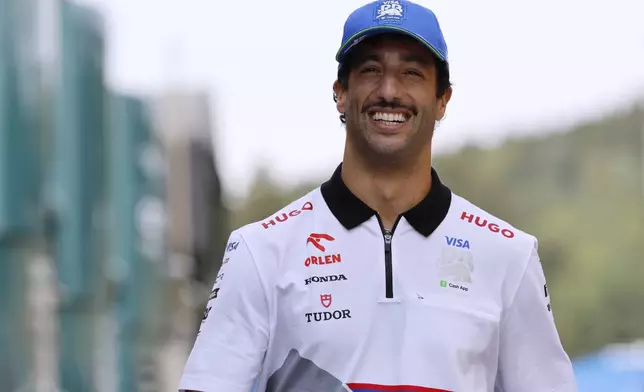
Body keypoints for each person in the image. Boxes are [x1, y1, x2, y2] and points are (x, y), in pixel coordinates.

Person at [178, 0, 578, 391]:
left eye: (412, 73)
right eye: (371, 70)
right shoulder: (260, 251)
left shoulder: (508, 255)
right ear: (340, 93)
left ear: (442, 100)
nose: (389, 90)